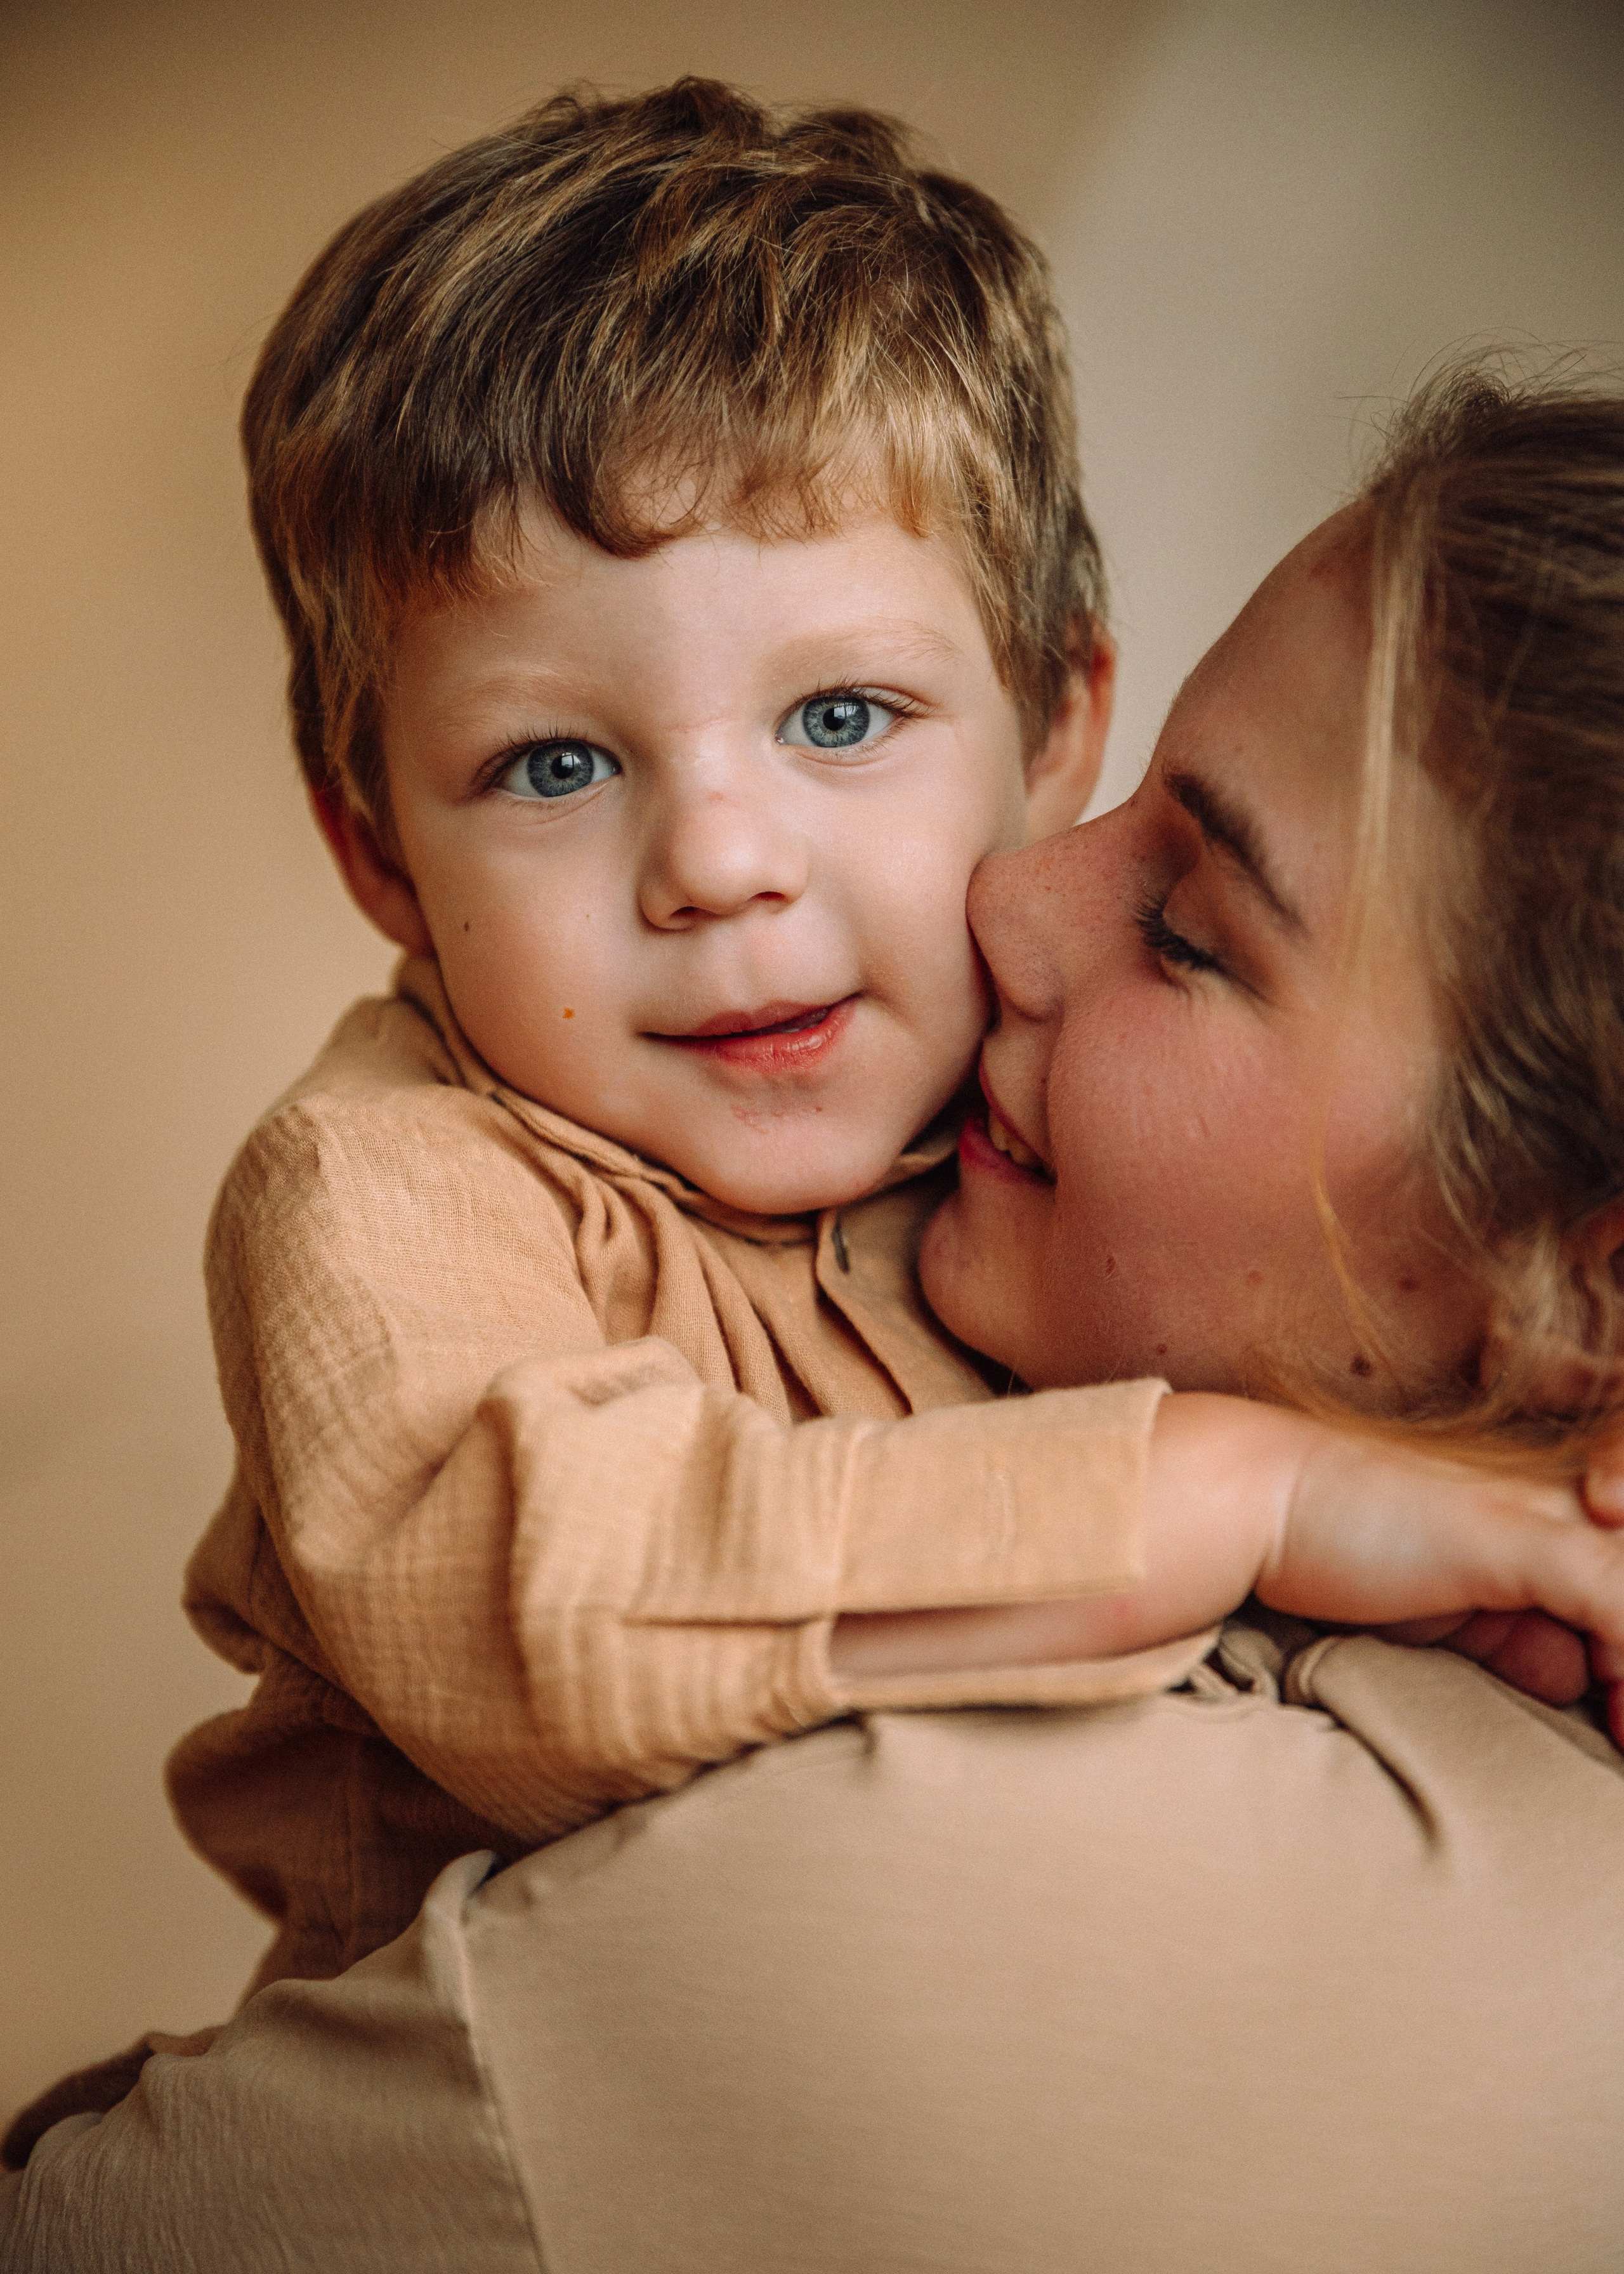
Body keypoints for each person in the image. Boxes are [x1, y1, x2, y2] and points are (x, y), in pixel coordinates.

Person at [8, 363, 1624, 2274]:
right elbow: (545, 1609)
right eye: (553, 762)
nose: (1012, 904)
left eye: (1192, 933)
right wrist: (1254, 1489)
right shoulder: (400, 1187)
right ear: (378, 853)